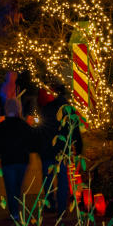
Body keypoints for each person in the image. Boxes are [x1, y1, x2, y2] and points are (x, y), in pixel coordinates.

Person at [38, 83, 83, 212]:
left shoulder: (46, 109)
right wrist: (78, 148)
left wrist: (39, 146)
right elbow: (75, 131)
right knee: (63, 178)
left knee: (48, 177)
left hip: (47, 149)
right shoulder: (70, 110)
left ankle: (50, 203)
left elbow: (41, 130)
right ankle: (62, 206)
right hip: (63, 150)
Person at [0, 99, 35, 223]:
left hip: (8, 160)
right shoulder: (24, 125)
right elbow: (32, 142)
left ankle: (14, 212)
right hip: (22, 160)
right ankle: (17, 211)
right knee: (19, 187)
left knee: (10, 188)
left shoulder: (1, 127)